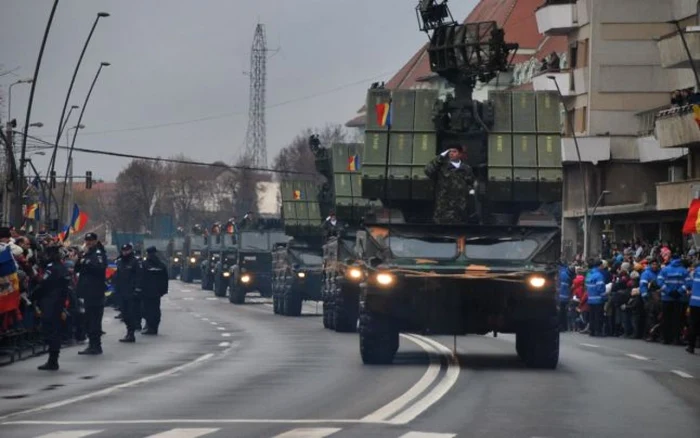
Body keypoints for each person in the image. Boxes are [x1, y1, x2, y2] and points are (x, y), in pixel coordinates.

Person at [35, 244, 71, 370]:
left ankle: (52, 360)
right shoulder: (63, 268)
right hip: (59, 302)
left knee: (51, 331)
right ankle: (53, 359)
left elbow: (43, 284)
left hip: (50, 302)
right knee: (55, 331)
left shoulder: (52, 268)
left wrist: (33, 296)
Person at [424, 146, 474, 224]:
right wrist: (440, 157)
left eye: (454, 151)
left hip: (460, 207)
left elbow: (470, 183)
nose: (451, 153)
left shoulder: (466, 168)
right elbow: (428, 170)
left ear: (460, 154)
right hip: (444, 207)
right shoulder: (442, 167)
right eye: (450, 151)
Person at [75, 233, 107, 355]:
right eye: (87, 240)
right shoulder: (87, 253)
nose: (88, 242)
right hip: (87, 291)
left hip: (95, 291)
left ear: (95, 241)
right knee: (88, 319)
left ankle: (96, 345)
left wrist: (86, 262)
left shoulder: (98, 253)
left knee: (94, 319)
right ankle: (92, 344)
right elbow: (78, 268)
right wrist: (80, 258)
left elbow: (100, 268)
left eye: (91, 240)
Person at [656, 254, 688, 345]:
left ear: (671, 259)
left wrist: (668, 291)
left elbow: (660, 282)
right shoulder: (684, 270)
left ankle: (666, 339)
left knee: (666, 319)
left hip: (666, 298)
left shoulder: (665, 269)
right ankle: (676, 339)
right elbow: (688, 282)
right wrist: (679, 291)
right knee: (677, 319)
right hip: (679, 298)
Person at [114, 243, 142, 343]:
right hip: (122, 291)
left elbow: (139, 277)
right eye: (124, 250)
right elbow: (117, 275)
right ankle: (129, 331)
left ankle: (131, 333)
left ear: (131, 250)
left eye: (127, 250)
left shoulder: (135, 262)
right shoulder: (120, 262)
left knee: (130, 314)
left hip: (131, 292)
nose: (125, 252)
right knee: (124, 314)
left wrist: (137, 289)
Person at [140, 246, 169, 335]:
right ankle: (154, 327)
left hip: (147, 292)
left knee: (146, 310)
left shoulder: (144, 264)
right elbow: (165, 279)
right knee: (155, 310)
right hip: (157, 292)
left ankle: (150, 326)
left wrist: (139, 289)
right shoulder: (161, 265)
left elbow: (140, 278)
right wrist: (163, 291)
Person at [585, 259, 606, 337]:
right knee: (598, 316)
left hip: (591, 299)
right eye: (602, 265)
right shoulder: (599, 275)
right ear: (600, 266)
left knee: (592, 316)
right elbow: (600, 288)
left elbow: (587, 286)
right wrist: (604, 297)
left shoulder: (590, 274)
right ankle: (598, 331)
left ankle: (592, 331)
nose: (603, 267)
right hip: (598, 299)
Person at [687, 261, 700, 354]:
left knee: (693, 325)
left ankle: (691, 346)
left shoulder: (696, 271)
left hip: (694, 302)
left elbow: (689, 283)